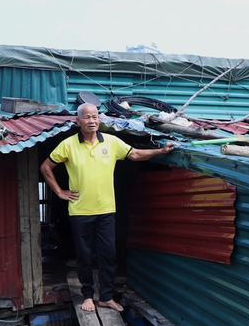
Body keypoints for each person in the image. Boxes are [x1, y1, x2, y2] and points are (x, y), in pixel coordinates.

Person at [40, 103, 177, 312]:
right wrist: (60, 192)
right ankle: (87, 295)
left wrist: (160, 151)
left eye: (95, 117)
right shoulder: (68, 145)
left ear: (99, 120)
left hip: (106, 211)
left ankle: (105, 296)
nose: (92, 121)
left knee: (108, 254)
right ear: (78, 121)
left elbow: (135, 154)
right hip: (80, 212)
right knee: (84, 255)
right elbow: (46, 167)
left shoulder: (112, 142)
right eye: (87, 117)